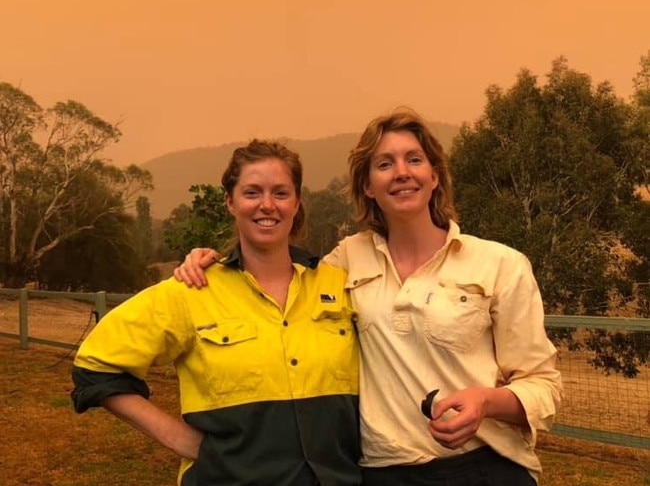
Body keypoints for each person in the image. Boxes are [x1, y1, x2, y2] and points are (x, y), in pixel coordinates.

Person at [175, 108, 563, 485]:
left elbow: (542, 385)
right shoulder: (343, 261)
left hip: (484, 467)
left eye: (414, 159)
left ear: (434, 176)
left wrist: (485, 402)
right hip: (381, 471)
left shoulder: (499, 264)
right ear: (367, 185)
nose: (402, 173)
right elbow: (274, 271)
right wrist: (214, 260)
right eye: (384, 164)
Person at [71, 139, 362, 486]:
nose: (267, 205)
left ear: (297, 202)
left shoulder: (339, 284)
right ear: (230, 201)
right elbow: (95, 366)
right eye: (252, 192)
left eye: (281, 193)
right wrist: (179, 440)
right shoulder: (193, 290)